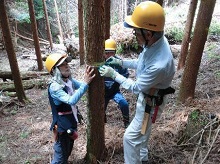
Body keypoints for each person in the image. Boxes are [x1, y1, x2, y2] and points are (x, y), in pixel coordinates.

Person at [99, 1, 175, 163]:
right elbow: (142, 62)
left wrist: (113, 74)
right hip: (149, 97)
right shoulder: (156, 41)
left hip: (151, 102)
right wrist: (122, 63)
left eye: (136, 32)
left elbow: (136, 87)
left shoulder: (160, 64)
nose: (134, 35)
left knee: (130, 139)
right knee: (142, 133)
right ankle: (143, 158)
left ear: (148, 34)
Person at [45, 53, 95, 164]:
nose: (67, 66)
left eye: (67, 63)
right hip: (62, 126)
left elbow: (82, 85)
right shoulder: (54, 86)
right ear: (54, 70)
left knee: (66, 153)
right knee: (60, 158)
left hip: (71, 123)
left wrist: (88, 79)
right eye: (62, 64)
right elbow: (71, 100)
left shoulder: (68, 81)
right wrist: (86, 83)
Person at [104, 38, 130, 128]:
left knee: (124, 104)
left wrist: (117, 78)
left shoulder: (118, 62)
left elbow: (126, 74)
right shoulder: (101, 62)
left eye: (111, 52)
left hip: (115, 91)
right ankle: (102, 120)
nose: (108, 55)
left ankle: (126, 122)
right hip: (102, 93)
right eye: (106, 52)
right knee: (100, 109)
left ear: (114, 52)